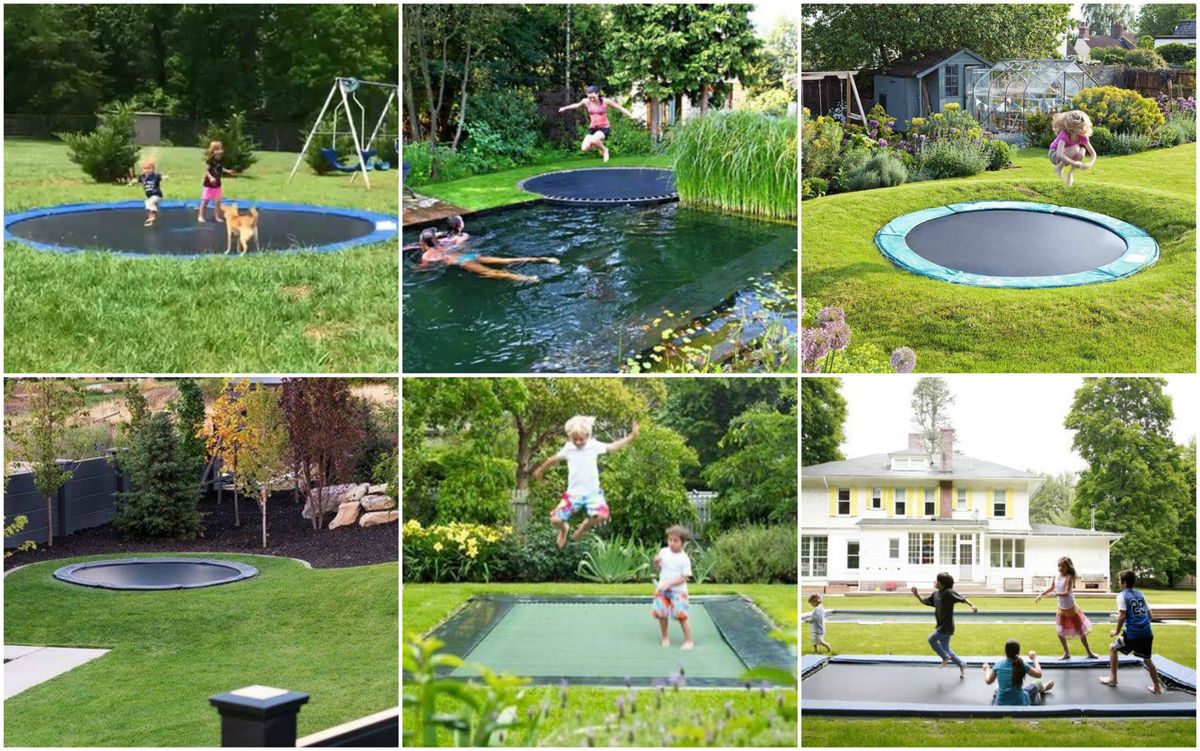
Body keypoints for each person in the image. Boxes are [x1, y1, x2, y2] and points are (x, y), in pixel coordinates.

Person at [532, 415, 639, 549]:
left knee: (602, 515)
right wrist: (540, 469)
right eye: (574, 439)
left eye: (581, 439)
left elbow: (613, 446)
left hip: (592, 494)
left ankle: (583, 527)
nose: (577, 442)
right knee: (555, 520)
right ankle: (564, 529)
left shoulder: (594, 446)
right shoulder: (568, 448)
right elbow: (553, 459)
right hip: (573, 495)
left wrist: (632, 436)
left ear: (587, 436)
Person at [415, 227, 558, 283]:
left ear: (423, 244)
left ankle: (528, 279)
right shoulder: (443, 244)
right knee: (508, 260)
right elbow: (440, 237)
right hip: (471, 256)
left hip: (463, 262)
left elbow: (424, 268)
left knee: (491, 273)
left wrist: (418, 269)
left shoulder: (427, 255)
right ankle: (544, 259)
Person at [1100, 569, 1163, 693]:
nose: (1118, 582)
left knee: (1113, 647)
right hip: (1147, 633)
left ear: (1123, 583)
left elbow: (1122, 615)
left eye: (1119, 580)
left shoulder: (1121, 595)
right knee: (1148, 660)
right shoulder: (1141, 594)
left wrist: (1116, 631)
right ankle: (1157, 687)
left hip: (1133, 634)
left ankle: (1113, 678)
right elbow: (1150, 614)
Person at [912, 572, 978, 677]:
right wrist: (917, 595)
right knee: (946, 648)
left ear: (942, 584)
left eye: (937, 581)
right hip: (940, 625)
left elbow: (962, 598)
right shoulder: (936, 594)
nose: (935, 582)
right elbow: (925, 601)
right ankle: (961, 664)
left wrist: (972, 605)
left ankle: (944, 657)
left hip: (946, 626)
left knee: (931, 639)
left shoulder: (949, 593)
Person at [1035, 556, 1100, 659]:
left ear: (1068, 567)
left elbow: (1066, 592)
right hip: (1061, 609)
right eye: (1059, 565)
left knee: (1081, 631)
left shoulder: (1069, 577)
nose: (1060, 568)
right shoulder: (1055, 576)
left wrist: (1055, 594)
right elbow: (1051, 588)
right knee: (1060, 632)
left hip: (1071, 608)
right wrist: (1041, 594)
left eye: (1063, 566)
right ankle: (1066, 653)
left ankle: (1089, 652)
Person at [558, 84, 636, 162]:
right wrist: (565, 108)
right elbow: (576, 105)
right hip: (592, 128)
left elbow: (619, 108)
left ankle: (605, 150)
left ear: (597, 93)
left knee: (594, 139)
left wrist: (630, 115)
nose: (592, 99)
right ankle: (599, 146)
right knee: (584, 148)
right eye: (590, 97)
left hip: (604, 128)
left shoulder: (605, 101)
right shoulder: (586, 101)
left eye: (593, 97)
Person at [652, 525, 695, 650]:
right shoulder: (663, 552)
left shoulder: (684, 559)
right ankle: (665, 638)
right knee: (662, 615)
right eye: (670, 540)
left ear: (682, 542)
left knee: (682, 616)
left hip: (678, 592)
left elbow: (685, 577)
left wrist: (670, 584)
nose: (672, 543)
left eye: (675, 541)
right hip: (662, 591)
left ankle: (689, 641)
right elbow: (659, 570)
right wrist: (655, 563)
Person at [984, 639, 1054, 706]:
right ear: (1018, 652)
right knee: (1038, 682)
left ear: (1005, 652)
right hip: (1020, 703)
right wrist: (1034, 658)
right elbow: (1039, 674)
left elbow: (988, 681)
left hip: (1000, 704)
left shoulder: (998, 665)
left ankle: (1042, 689)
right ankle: (1043, 688)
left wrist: (986, 669)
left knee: (998, 688)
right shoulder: (1022, 664)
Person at [1048, 110, 1096, 188]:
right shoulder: (1064, 134)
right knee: (1076, 148)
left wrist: (1089, 164)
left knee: (1082, 151)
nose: (1083, 129)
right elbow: (1059, 154)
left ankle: (1070, 173)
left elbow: (1093, 153)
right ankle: (1058, 167)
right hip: (1054, 155)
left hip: (1067, 156)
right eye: (1080, 127)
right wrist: (1073, 162)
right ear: (1072, 128)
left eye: (1083, 126)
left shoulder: (1082, 136)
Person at [197, 141, 238, 223]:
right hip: (209, 184)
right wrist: (211, 177)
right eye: (219, 148)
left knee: (217, 202)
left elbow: (220, 168)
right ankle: (200, 216)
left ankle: (217, 217)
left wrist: (228, 171)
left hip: (217, 184)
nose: (221, 150)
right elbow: (206, 170)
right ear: (214, 150)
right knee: (205, 201)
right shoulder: (210, 160)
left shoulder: (219, 159)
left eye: (221, 148)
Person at [130, 158, 168, 227]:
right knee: (148, 206)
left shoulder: (155, 176)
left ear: (153, 169)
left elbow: (161, 177)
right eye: (145, 169)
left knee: (149, 203)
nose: (147, 171)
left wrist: (165, 177)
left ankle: (153, 214)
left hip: (157, 195)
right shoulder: (142, 177)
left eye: (149, 169)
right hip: (150, 197)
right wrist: (132, 182)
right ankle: (151, 220)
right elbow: (137, 180)